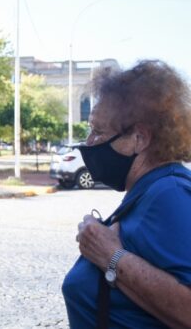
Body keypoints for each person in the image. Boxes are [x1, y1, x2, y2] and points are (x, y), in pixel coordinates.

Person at [62, 60, 191, 328]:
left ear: (140, 139)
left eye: (98, 132)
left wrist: (110, 255)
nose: (89, 144)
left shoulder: (169, 194)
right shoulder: (150, 191)